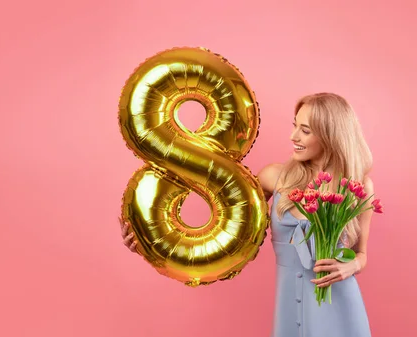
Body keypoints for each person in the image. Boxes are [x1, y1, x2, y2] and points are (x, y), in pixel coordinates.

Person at [119, 92, 375, 337]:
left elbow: (361, 254)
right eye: (295, 125)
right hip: (287, 307)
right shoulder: (274, 177)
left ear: (330, 136)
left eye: (305, 130)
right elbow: (229, 232)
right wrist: (150, 242)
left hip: (338, 305)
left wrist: (351, 265)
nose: (293, 136)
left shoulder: (357, 186)